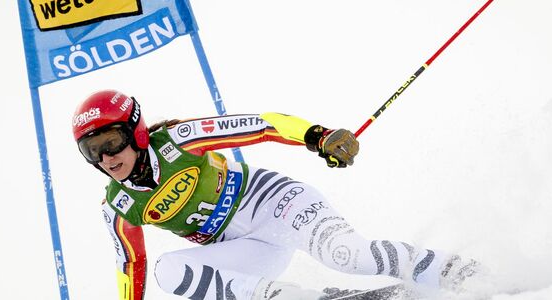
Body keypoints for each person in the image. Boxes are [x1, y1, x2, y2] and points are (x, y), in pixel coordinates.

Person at [72, 90, 480, 300]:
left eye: (112, 140)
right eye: (93, 151)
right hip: (245, 247)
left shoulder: (177, 140)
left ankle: (455, 272)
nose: (107, 157)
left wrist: (317, 137)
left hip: (276, 204)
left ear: (137, 132)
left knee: (348, 256)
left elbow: (263, 125)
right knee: (167, 271)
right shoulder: (118, 206)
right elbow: (132, 266)